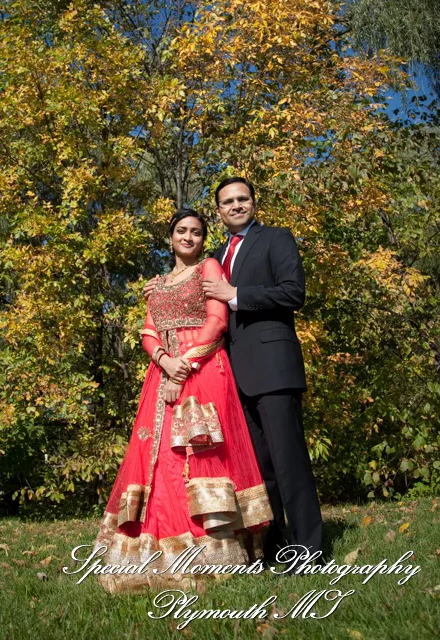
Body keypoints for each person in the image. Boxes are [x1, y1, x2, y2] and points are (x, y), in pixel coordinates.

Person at [94, 208, 272, 593]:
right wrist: (165, 362)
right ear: (170, 237)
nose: (188, 237)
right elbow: (148, 330)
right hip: (163, 373)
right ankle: (154, 549)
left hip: (204, 370)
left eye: (195, 232)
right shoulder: (156, 284)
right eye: (181, 231)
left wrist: (184, 367)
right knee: (158, 462)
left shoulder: (209, 268)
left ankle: (212, 551)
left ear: (202, 240)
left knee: (199, 455)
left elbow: (217, 322)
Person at [201, 176, 323, 561]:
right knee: (260, 469)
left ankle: (310, 551)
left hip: (274, 368)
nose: (236, 206)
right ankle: (275, 548)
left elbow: (293, 292)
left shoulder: (276, 238)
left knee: (289, 463)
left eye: (242, 199)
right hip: (234, 375)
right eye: (228, 202)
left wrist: (235, 295)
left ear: (254, 202)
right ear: (218, 212)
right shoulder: (217, 257)